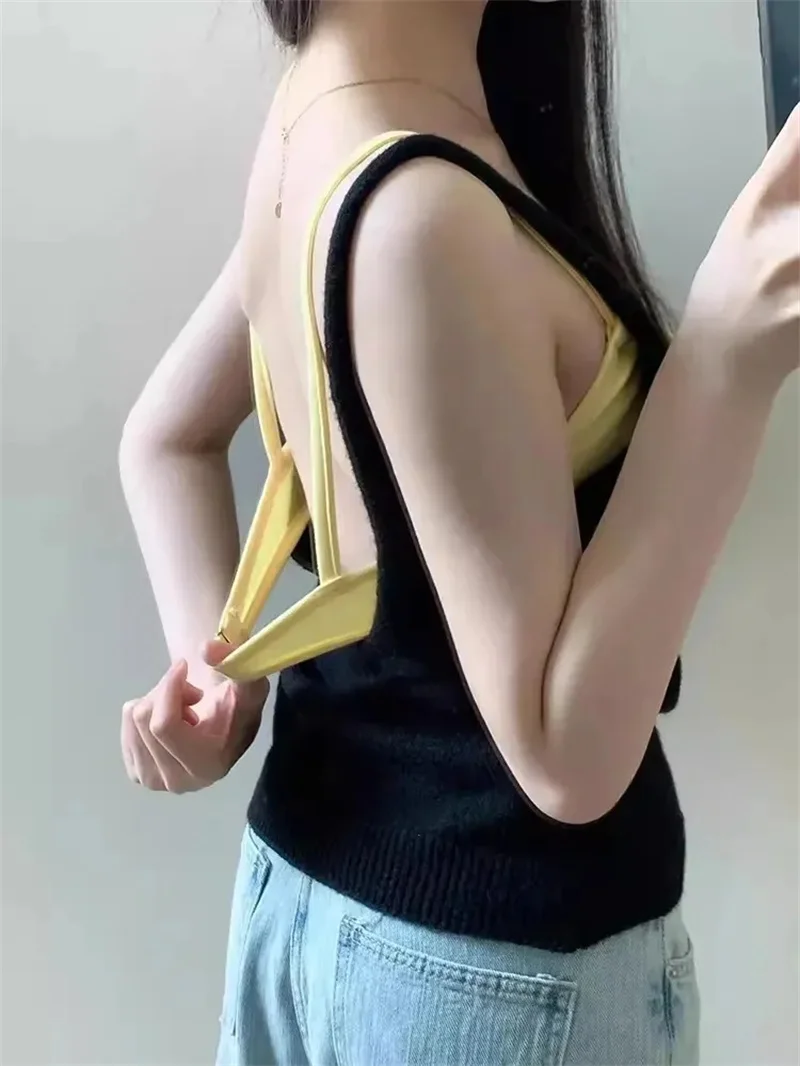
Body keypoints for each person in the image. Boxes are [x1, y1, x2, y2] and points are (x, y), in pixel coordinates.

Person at [118, 1, 799, 1063]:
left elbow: (166, 437)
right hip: (489, 978)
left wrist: (217, 670)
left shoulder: (316, 117)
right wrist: (726, 359)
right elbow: (563, 760)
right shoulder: (420, 213)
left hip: (309, 898)